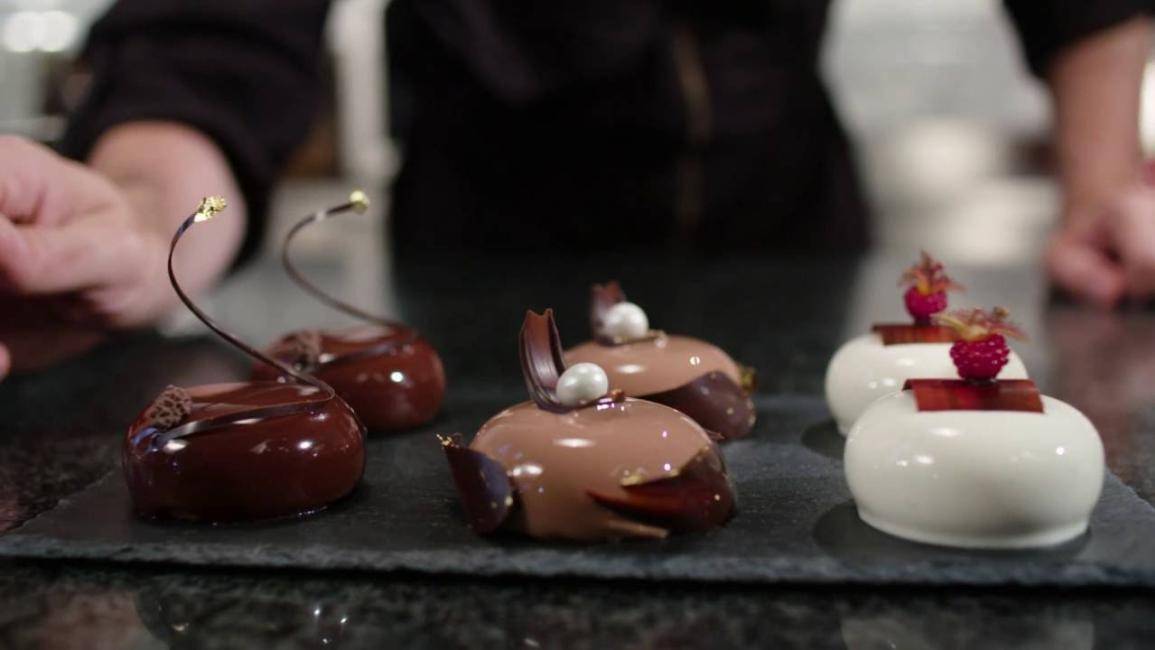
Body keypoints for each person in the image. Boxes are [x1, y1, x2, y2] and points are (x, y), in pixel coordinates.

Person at [0, 1, 1154, 380]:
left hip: (792, 236)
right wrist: (141, 212)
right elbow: (213, 39)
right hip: (478, 270)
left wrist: (1105, 185)